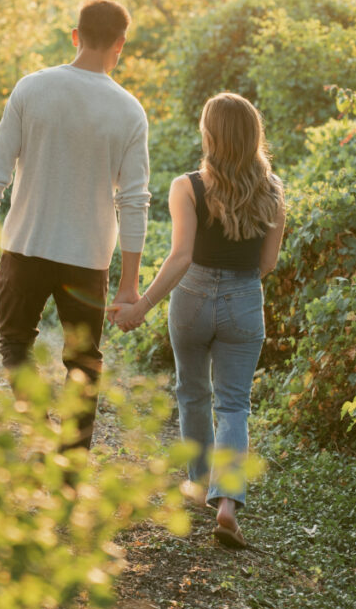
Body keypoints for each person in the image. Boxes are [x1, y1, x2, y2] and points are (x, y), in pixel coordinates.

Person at [0, 0, 150, 451]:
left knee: (15, 345)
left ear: (75, 36)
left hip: (25, 246)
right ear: (120, 44)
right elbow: (135, 202)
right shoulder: (129, 111)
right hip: (88, 259)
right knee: (84, 364)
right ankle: (70, 470)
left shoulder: (32, 88)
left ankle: (40, 432)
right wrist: (129, 283)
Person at [111, 92, 285, 549]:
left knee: (192, 392)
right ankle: (226, 501)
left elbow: (181, 256)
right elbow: (268, 262)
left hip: (191, 298)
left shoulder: (187, 186)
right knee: (233, 405)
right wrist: (238, 284)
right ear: (252, 136)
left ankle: (199, 484)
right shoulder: (273, 189)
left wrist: (141, 305)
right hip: (245, 298)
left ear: (209, 135)